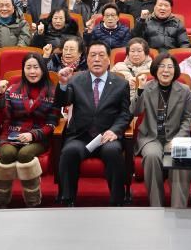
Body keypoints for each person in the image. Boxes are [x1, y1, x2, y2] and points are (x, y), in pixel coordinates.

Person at [55, 41, 133, 206]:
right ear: (87, 59)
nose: (97, 59)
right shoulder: (75, 80)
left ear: (109, 60)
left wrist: (115, 130)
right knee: (69, 152)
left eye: (101, 55)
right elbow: (62, 102)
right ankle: (67, 199)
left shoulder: (121, 83)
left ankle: (117, 201)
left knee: (113, 152)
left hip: (106, 137)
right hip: (80, 137)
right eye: (93, 55)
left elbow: (125, 114)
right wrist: (62, 84)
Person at [0, 53, 59, 208]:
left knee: (25, 154)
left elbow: (52, 123)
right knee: (7, 153)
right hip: (11, 134)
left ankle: (32, 199)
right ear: (23, 70)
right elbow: (1, 118)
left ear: (43, 69)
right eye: (28, 67)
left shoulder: (52, 92)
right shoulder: (12, 89)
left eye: (36, 67)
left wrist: (32, 135)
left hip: (38, 136)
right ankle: (1, 199)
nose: (32, 71)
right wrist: (0, 95)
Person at [132, 53, 191, 207]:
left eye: (170, 67)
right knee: (152, 156)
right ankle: (156, 207)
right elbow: (135, 111)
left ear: (175, 70)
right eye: (162, 66)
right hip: (150, 137)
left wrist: (178, 139)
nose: (166, 70)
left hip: (175, 137)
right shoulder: (147, 87)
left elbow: (188, 118)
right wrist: (139, 90)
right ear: (155, 69)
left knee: (180, 158)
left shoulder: (184, 90)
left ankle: (178, 208)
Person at [111, 38, 153, 104]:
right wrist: (125, 84)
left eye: (139, 51)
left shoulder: (154, 67)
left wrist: (141, 85)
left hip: (146, 103)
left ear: (146, 52)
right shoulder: (117, 67)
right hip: (122, 103)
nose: (135, 54)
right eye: (132, 51)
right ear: (128, 53)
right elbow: (109, 86)